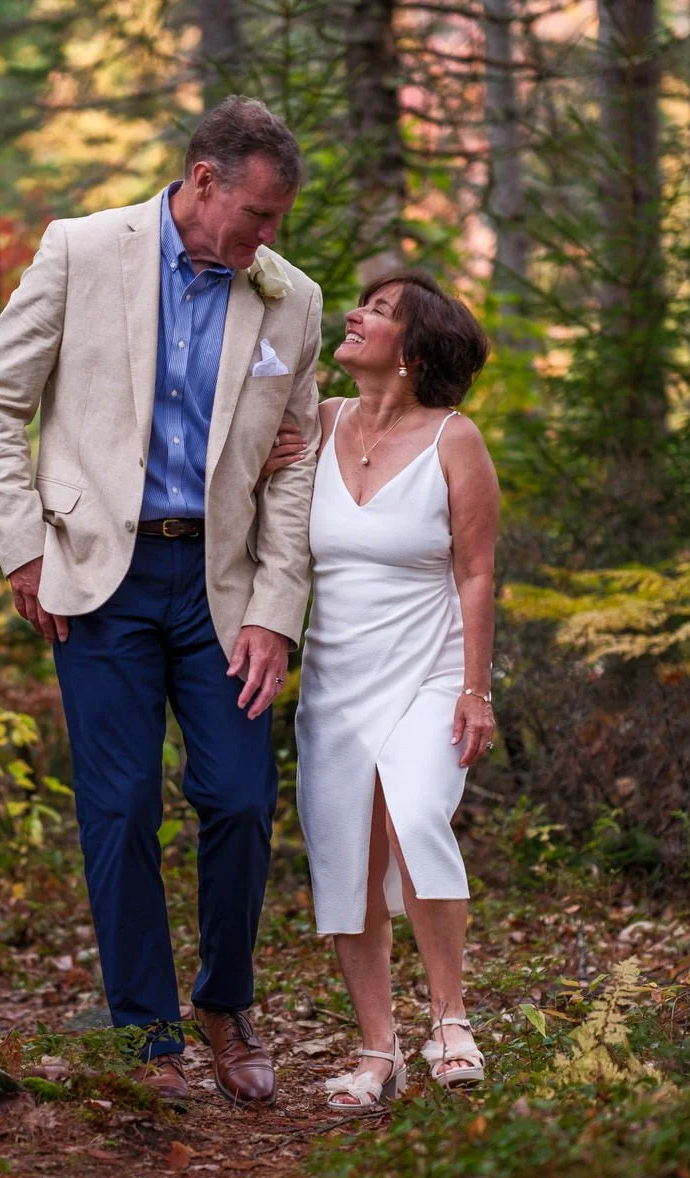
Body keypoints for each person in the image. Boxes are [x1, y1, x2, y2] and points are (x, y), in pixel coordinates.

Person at [0, 98, 324, 1105]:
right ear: (202, 182)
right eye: (255, 215)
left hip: (226, 587)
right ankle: (143, 1034)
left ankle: (224, 998)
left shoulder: (291, 300)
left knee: (241, 798)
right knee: (118, 809)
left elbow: (290, 469)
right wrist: (23, 544)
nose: (265, 239)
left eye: (276, 222)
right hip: (97, 582)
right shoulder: (81, 250)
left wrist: (274, 609)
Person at [274, 270, 498, 1110]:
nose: (357, 314)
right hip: (337, 676)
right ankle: (377, 1050)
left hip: (431, 671)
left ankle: (451, 1022)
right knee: (343, 855)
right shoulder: (322, 420)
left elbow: (476, 573)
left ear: (413, 348)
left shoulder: (454, 440)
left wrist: (475, 690)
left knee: (415, 815)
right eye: (363, 303)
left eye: (380, 310)